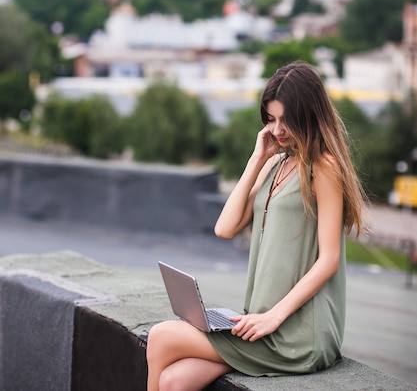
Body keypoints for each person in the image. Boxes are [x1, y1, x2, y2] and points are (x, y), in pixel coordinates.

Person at [146, 61, 368, 391]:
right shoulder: (276, 164)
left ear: (308, 114)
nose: (277, 129)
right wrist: (257, 159)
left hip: (297, 335)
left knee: (161, 336)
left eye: (286, 120)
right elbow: (225, 228)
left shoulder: (324, 167)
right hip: (259, 325)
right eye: (271, 119)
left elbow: (329, 261)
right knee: (174, 381)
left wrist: (273, 317)